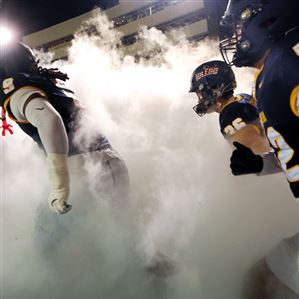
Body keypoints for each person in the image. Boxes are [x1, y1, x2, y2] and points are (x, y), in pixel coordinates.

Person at [219, 0, 299, 296]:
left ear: (265, 19)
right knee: (260, 281)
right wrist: (260, 164)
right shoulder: (274, 67)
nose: (237, 37)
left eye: (240, 26)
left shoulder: (284, 66)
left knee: (259, 283)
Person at [0, 41, 129, 215]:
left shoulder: (17, 88)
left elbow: (49, 119)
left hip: (81, 169)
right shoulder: (48, 84)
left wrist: (59, 185)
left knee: (46, 239)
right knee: (120, 231)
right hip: (113, 163)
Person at [189, 59, 274, 158]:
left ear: (211, 90)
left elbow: (262, 161)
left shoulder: (231, 115)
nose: (199, 100)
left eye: (200, 94)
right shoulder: (241, 98)